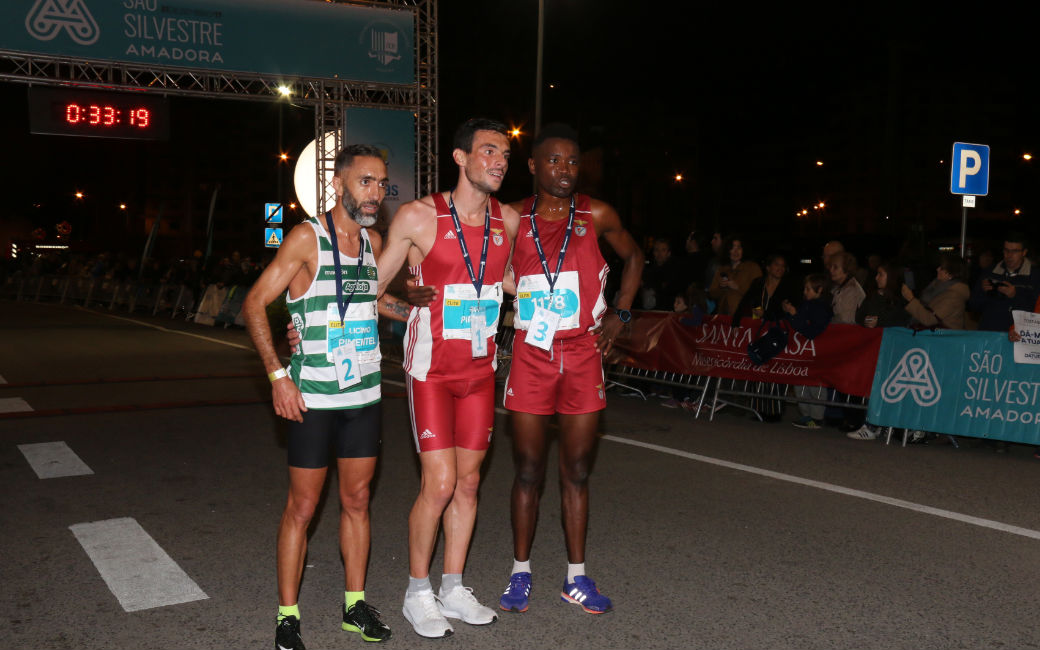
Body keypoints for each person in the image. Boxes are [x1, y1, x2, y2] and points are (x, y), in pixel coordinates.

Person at [241, 144, 409, 649]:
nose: (375, 193)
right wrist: (277, 375)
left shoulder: (373, 243)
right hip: (311, 398)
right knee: (303, 507)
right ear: (339, 185)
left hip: (363, 396)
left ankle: (354, 606)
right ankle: (287, 615)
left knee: (357, 501)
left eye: (381, 184)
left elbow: (373, 299)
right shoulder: (305, 238)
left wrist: (426, 310)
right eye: (365, 182)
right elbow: (253, 303)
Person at [375, 118, 519, 638]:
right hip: (431, 372)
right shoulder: (419, 216)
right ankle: (418, 592)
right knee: (437, 484)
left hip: (481, 373)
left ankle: (453, 587)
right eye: (488, 151)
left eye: (504, 153)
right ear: (460, 157)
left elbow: (503, 277)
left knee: (470, 482)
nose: (499, 160)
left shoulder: (509, 221)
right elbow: (374, 289)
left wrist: (532, 297)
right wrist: (406, 307)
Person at [498, 123, 643, 615]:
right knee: (528, 469)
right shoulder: (512, 217)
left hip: (583, 354)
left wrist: (621, 314)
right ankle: (521, 573)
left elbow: (635, 256)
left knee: (577, 470)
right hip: (532, 355)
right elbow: (483, 270)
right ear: (534, 166)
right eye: (554, 161)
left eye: (573, 161)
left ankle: (575, 579)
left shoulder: (597, 213)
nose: (565, 170)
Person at [783, 273, 833, 428]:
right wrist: (791, 314)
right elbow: (798, 323)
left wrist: (794, 315)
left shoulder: (822, 308)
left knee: (815, 385)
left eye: (808, 289)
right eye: (805, 288)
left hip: (817, 352)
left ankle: (816, 417)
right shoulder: (806, 305)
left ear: (819, 290)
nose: (805, 292)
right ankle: (806, 414)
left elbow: (811, 331)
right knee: (801, 383)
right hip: (803, 351)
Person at [968, 233, 1040, 331]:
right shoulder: (990, 272)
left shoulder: (1035, 276)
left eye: (1015, 251)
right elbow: (973, 305)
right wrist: (983, 292)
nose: (1009, 255)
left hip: (1019, 336)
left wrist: (1015, 295)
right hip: (990, 333)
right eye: (1006, 250)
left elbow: (1035, 311)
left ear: (1024, 252)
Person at [902, 255, 970, 330]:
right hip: (934, 334)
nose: (937, 269)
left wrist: (911, 299)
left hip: (943, 338)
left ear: (951, 274)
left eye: (942, 268)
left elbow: (929, 319)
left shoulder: (954, 296)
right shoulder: (938, 286)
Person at [732, 253, 800, 325]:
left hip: (778, 329)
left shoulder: (789, 287)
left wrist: (765, 314)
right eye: (777, 265)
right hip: (757, 327)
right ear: (768, 267)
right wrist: (736, 321)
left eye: (783, 266)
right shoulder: (758, 283)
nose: (780, 268)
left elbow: (788, 311)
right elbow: (744, 302)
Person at [708, 235, 762, 316]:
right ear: (727, 251)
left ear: (743, 250)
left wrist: (737, 287)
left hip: (745, 317)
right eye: (732, 248)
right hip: (724, 317)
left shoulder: (753, 268)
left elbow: (759, 293)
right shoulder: (722, 269)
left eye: (739, 248)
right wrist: (721, 287)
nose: (736, 251)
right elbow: (712, 294)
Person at [827, 251, 865, 324]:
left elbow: (846, 320)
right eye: (830, 266)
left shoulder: (852, 290)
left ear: (847, 268)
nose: (831, 270)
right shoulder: (839, 287)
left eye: (835, 267)